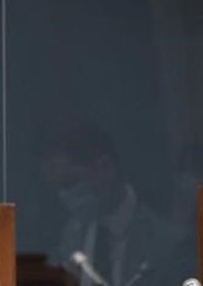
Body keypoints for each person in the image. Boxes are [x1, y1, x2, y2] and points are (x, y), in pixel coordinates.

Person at [41, 123, 188, 286]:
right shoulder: (71, 233)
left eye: (70, 182)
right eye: (57, 188)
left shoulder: (165, 242)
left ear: (105, 167)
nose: (64, 196)